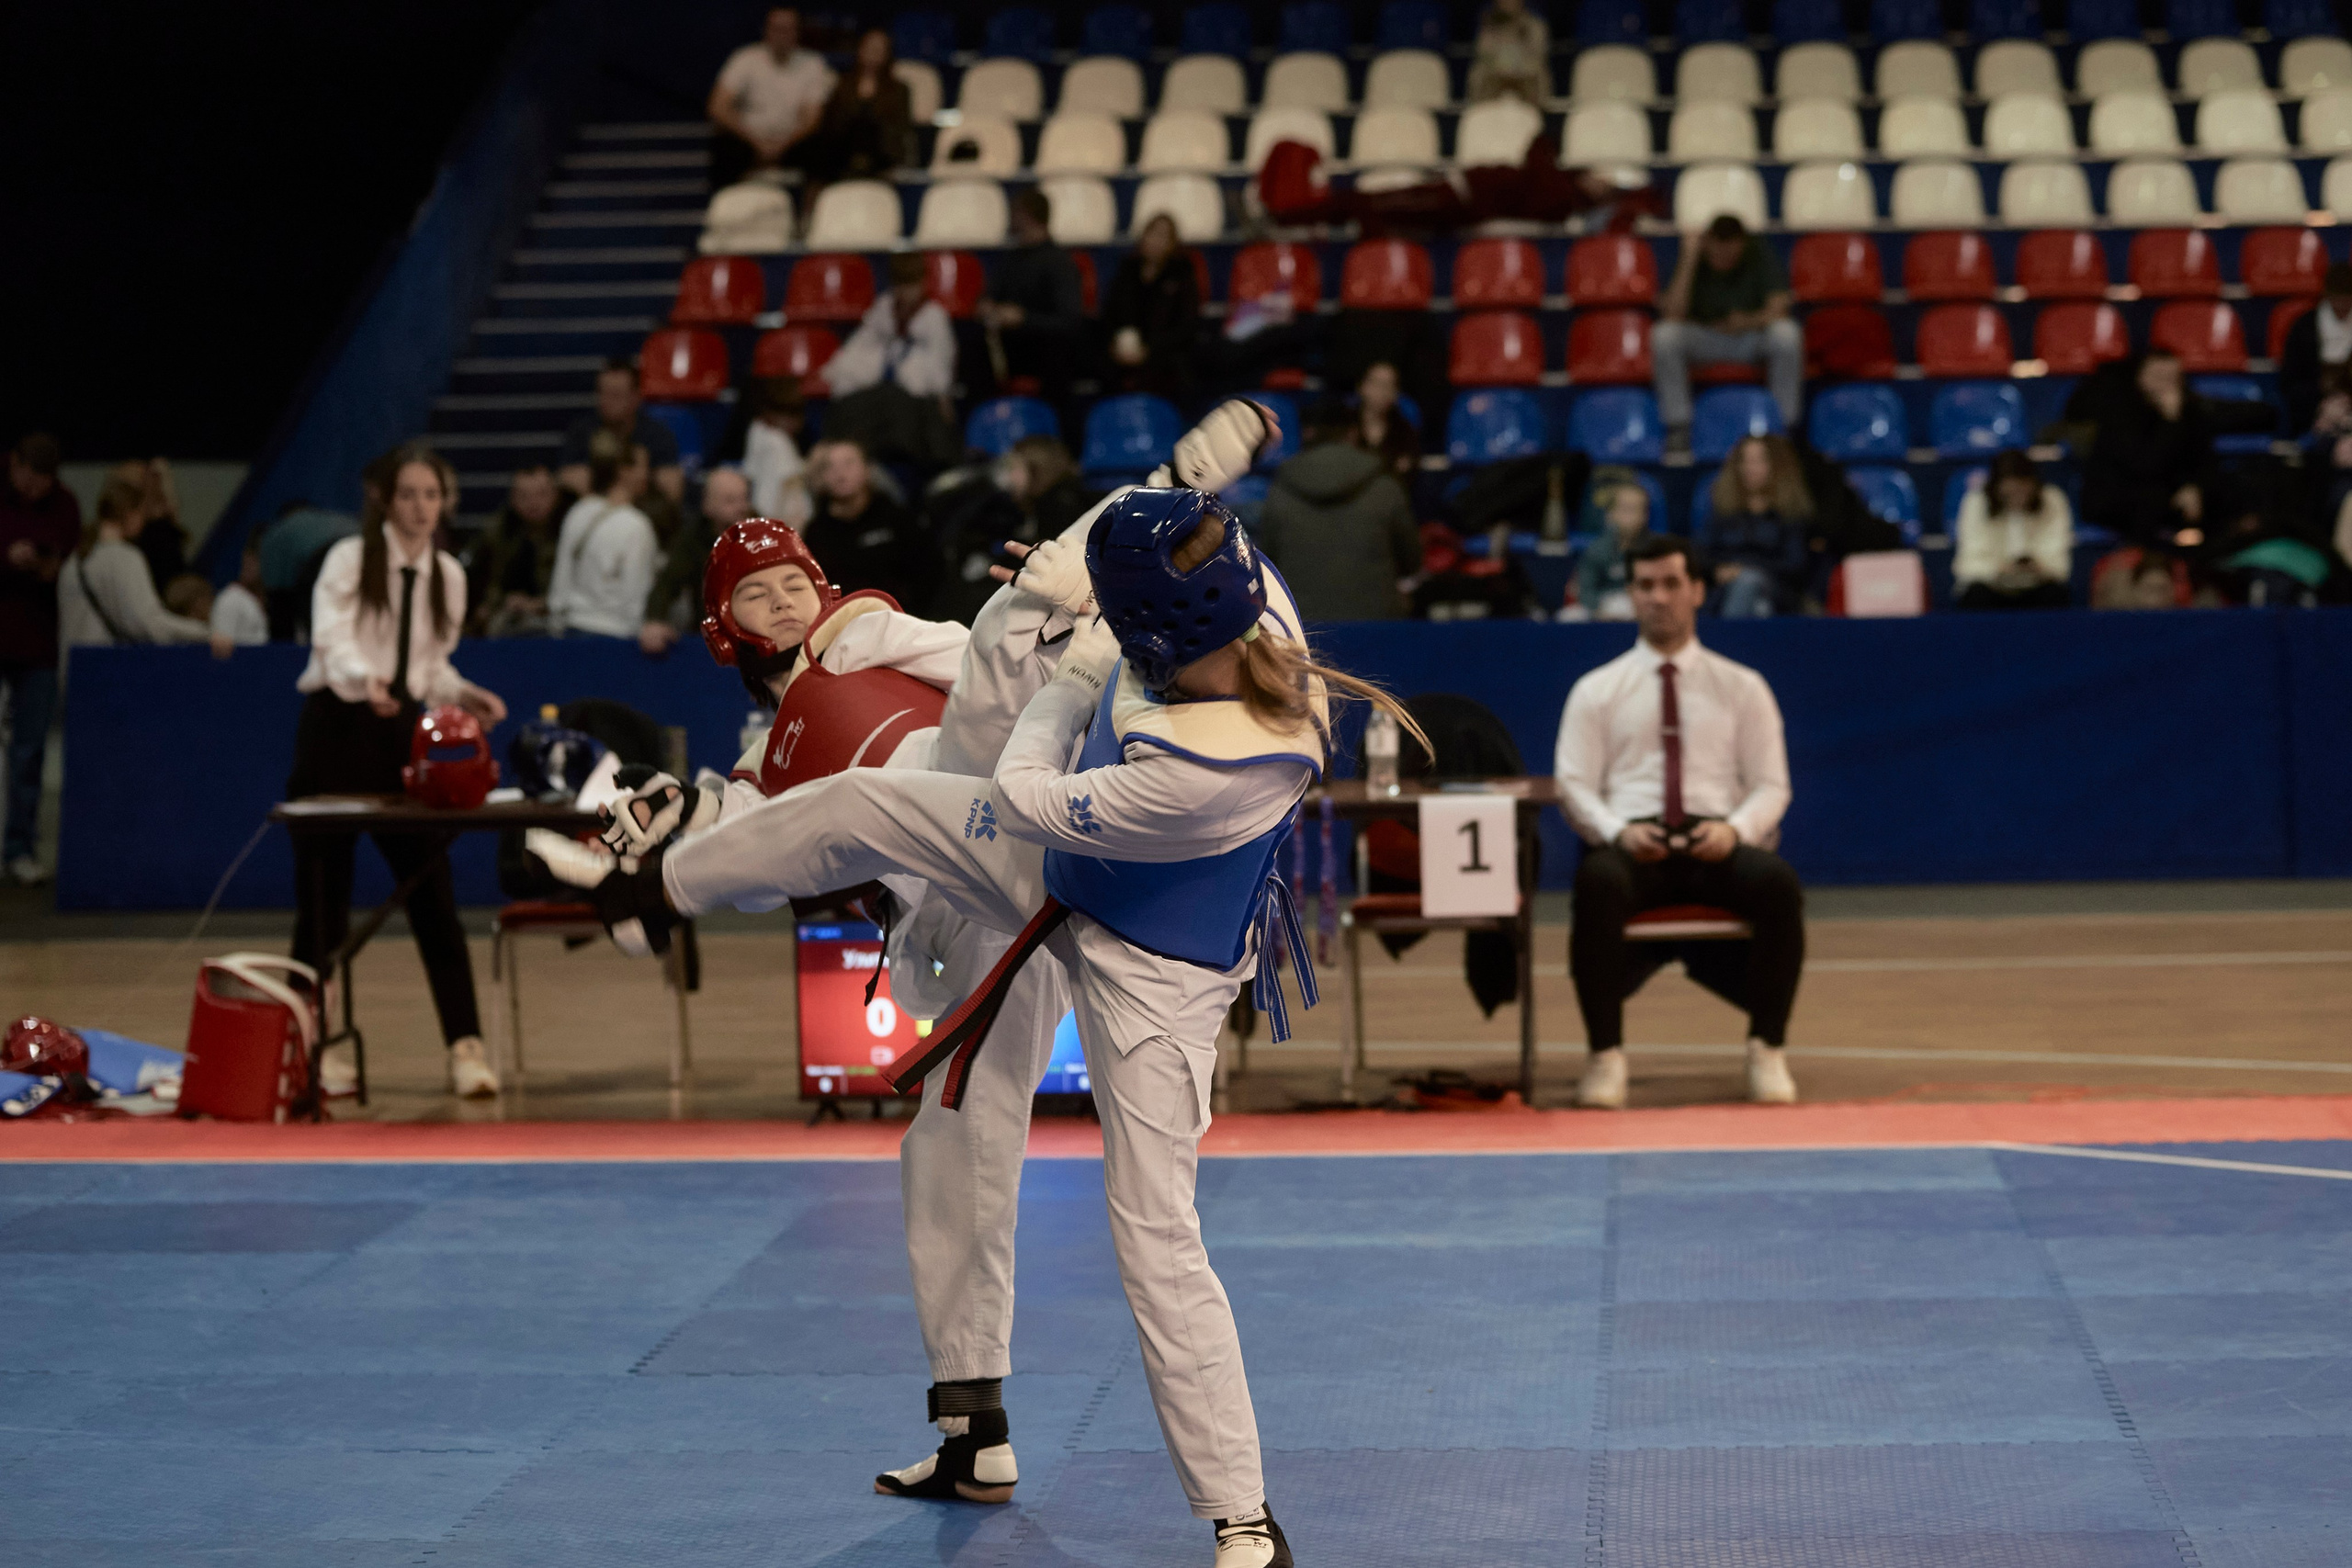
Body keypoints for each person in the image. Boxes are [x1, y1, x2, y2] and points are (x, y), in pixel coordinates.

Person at [546, 479, 1410, 1568]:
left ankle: (1243, 1516)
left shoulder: (1211, 764)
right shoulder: (1236, 581)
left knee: (1154, 1235)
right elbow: (1133, 511)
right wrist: (1076, 563)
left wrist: (1076, 661)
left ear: (1152, 636)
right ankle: (972, 1431)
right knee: (943, 1096)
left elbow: (1018, 788)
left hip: (1151, 968)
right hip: (1044, 873)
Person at [288, 445, 507, 1099]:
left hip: (401, 738)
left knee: (433, 897)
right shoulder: (349, 559)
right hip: (336, 733)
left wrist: (462, 693)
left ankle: (466, 1048)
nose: (420, 507)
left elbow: (429, 666)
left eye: (431, 495)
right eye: (408, 494)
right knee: (322, 908)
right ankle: (311, 1052)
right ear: (384, 498)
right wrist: (366, 680)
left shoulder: (448, 574)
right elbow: (331, 641)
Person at [1555, 533, 1802, 1111]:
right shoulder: (1597, 690)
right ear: (1632, 593)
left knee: (1778, 885)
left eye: (1671, 584)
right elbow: (1573, 785)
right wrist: (1617, 832)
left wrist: (1735, 831)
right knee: (1597, 882)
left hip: (1715, 839)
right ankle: (1605, 1057)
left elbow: (1772, 784)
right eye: (1645, 585)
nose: (1658, 597)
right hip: (1634, 842)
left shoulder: (1743, 687)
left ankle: (1767, 1048)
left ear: (1697, 591)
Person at [1256, 397, 1421, 620]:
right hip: (1378, 624)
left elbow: (1267, 563)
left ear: (1307, 434)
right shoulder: (1384, 485)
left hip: (1303, 626)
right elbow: (1412, 562)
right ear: (1352, 433)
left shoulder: (1281, 489)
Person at [1656, 216, 1804, 457]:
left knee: (1787, 333)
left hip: (1749, 337)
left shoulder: (1757, 251)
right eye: (1718, 251)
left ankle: (1783, 427)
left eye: (1730, 252)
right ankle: (1678, 426)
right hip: (1705, 338)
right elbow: (1673, 313)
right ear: (1707, 243)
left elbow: (1780, 306)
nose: (1723, 258)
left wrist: (1748, 321)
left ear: (1741, 244)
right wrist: (1689, 258)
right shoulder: (1690, 256)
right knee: (1664, 335)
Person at [0, 433, 78, 886]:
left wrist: (44, 563)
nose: (32, 492)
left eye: (41, 485)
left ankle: (20, 848)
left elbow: (65, 560)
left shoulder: (64, 506)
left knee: (29, 751)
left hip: (37, 646)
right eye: (27, 481)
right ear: (14, 465)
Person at [58, 470, 232, 660]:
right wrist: (203, 633)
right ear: (130, 514)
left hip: (73, 669)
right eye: (142, 513)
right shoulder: (126, 558)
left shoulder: (73, 562)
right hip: (106, 668)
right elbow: (150, 624)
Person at [821, 253, 961, 471]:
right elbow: (857, 348)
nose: (906, 292)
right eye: (901, 285)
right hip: (880, 393)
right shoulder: (884, 308)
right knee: (851, 406)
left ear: (923, 283)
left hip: (914, 398)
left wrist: (941, 394)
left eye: (911, 285)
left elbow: (940, 368)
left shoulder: (934, 316)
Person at [2081, 349, 2219, 549]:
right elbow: (2144, 466)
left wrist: (2194, 487)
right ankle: (2144, 560)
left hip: (2168, 494)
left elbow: (2205, 459)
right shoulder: (2121, 412)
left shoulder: (2190, 411)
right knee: (2152, 502)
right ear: (2140, 376)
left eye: (2172, 378)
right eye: (2158, 376)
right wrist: (2170, 422)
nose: (2166, 385)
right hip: (2117, 496)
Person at [967, 187, 1088, 404]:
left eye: (1016, 213)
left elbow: (1069, 320)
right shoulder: (1010, 259)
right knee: (974, 342)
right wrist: (987, 307)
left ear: (1027, 215)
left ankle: (1053, 420)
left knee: (1058, 350)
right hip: (1011, 343)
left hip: (1044, 345)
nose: (1011, 219)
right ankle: (984, 416)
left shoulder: (1059, 262)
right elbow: (989, 295)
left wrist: (1023, 318)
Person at [799, 439, 941, 613]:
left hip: (902, 617)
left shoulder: (896, 518)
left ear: (867, 469)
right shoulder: (816, 533)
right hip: (844, 622)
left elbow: (929, 572)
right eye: (829, 466)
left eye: (849, 463)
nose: (840, 473)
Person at [707, 6, 835, 191]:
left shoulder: (812, 63)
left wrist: (783, 145)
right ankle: (725, 207)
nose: (782, 35)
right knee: (725, 149)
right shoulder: (745, 59)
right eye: (777, 28)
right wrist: (757, 142)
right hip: (749, 140)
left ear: (798, 32)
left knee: (822, 151)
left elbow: (812, 119)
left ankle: (813, 209)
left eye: (788, 29)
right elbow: (718, 106)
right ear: (766, 30)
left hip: (792, 142)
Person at [548, 430, 661, 638]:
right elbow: (636, 596)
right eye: (642, 467)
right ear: (623, 471)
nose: (647, 474)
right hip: (615, 637)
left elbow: (560, 583)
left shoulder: (577, 512)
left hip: (571, 631)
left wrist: (556, 628)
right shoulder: (637, 525)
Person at [1698, 435, 1815, 617]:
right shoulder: (1722, 509)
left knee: (1749, 583)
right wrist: (1718, 570)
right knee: (1758, 607)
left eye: (1758, 461)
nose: (1749, 468)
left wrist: (1744, 570)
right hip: (1724, 589)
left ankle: (1732, 632)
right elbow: (1702, 553)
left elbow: (1795, 564)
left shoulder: (1790, 513)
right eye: (1744, 461)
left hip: (1776, 591)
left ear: (1776, 466)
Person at [639, 465, 751, 655]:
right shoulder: (693, 538)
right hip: (712, 642)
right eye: (730, 501)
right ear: (708, 506)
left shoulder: (763, 532)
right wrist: (654, 621)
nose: (742, 508)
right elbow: (667, 584)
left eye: (744, 499)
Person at [1953, 450, 2074, 611]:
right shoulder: (1976, 502)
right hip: (1991, 588)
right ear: (1996, 487)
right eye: (2010, 492)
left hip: (2038, 587)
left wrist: (2037, 568)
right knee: (1976, 596)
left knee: (2055, 594)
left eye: (2023, 489)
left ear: (2034, 484)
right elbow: (1967, 565)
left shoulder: (2052, 500)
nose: (2018, 497)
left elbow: (2060, 566)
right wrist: (1999, 570)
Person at [556, 359, 684, 505]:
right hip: (594, 510)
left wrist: (635, 487)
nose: (606, 401)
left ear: (636, 397)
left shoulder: (657, 434)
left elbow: (672, 487)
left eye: (615, 395)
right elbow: (567, 481)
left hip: (643, 511)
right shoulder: (581, 431)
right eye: (602, 393)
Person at [801, 28, 913, 191]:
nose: (873, 54)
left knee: (868, 130)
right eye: (870, 48)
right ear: (860, 49)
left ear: (888, 54)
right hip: (844, 150)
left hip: (881, 150)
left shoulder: (899, 90)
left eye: (879, 49)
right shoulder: (843, 84)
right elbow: (832, 123)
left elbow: (899, 128)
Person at [1103, 213, 1201, 400]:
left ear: (1172, 243)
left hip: (1164, 351)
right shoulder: (1127, 269)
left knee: (1177, 365)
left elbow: (1188, 325)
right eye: (1152, 233)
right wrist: (1116, 344)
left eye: (1163, 236)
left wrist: (1149, 350)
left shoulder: (1181, 273)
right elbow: (1110, 314)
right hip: (1125, 350)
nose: (1155, 241)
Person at [466, 465, 569, 636]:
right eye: (524, 496)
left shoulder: (569, 531)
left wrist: (542, 603)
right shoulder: (498, 533)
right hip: (508, 618)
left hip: (558, 618)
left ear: (555, 495)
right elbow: (488, 584)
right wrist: (502, 603)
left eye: (541, 494)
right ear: (512, 499)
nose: (533, 503)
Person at [1570, 469, 1654, 621]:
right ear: (1611, 514)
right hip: (1602, 612)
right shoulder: (1597, 549)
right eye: (1625, 509)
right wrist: (1600, 608)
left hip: (1644, 611)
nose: (1630, 517)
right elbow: (1585, 592)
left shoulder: (1656, 550)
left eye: (1636, 509)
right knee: (1570, 616)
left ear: (1645, 515)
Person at [2279, 263, 2352, 435]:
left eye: (2347, 300)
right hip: (2313, 410)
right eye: (2337, 300)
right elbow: (2290, 381)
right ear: (2327, 296)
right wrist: (2322, 403)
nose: (2341, 306)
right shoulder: (2304, 327)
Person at [738, 376, 811, 524]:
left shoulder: (758, 429)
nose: (796, 423)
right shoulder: (775, 442)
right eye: (788, 415)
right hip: (774, 520)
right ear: (769, 413)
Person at [1466, 0, 1552, 103]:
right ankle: (1481, 109)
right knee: (1478, 73)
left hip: (1526, 77)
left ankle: (1536, 111)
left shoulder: (1536, 25)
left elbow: (1537, 56)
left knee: (1539, 72)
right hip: (1494, 76)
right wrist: (1501, 71)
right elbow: (1484, 55)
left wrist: (1515, 73)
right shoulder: (1487, 25)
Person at [1352, 361, 1420, 483]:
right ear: (1361, 386)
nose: (1382, 391)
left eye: (1389, 385)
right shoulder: (1342, 426)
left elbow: (1408, 470)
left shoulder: (1405, 432)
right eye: (1377, 383)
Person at [211, 541, 271, 647]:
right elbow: (221, 648)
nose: (249, 567)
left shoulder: (266, 601)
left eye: (255, 561)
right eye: (247, 562)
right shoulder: (231, 599)